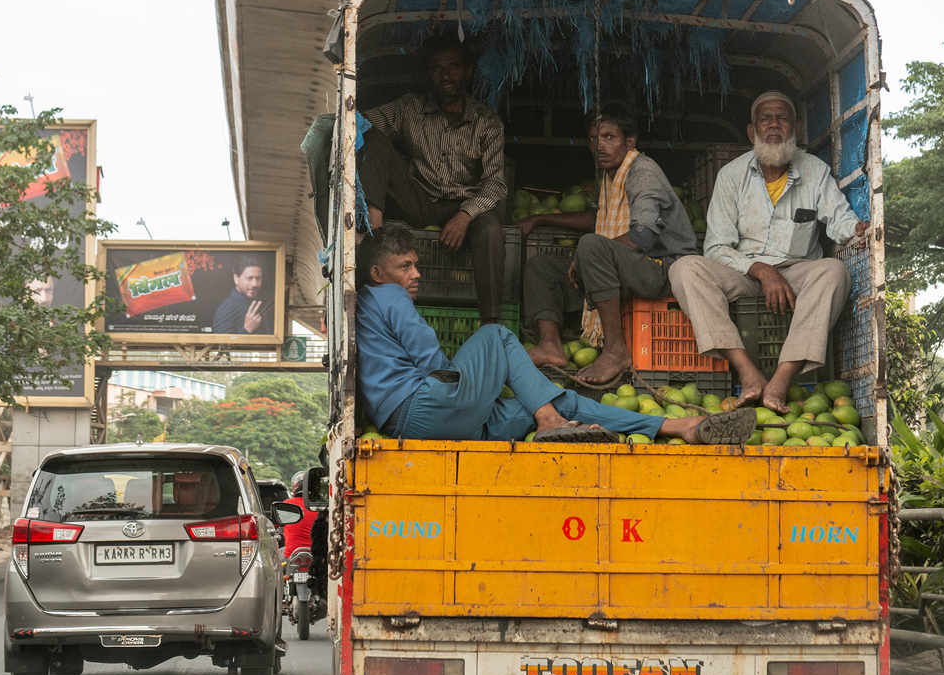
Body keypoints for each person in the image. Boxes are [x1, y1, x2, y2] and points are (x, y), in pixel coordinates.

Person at [356, 225, 754, 445]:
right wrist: (482, 380)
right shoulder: (387, 295)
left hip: (422, 427)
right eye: (405, 266)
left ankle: (678, 427)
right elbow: (432, 362)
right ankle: (548, 418)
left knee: (563, 403)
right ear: (377, 274)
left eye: (415, 266)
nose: (416, 275)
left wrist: (486, 385)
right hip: (423, 405)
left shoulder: (366, 303)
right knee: (496, 335)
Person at [668, 91, 869, 411]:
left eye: (783, 118)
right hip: (743, 271)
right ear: (752, 132)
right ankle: (747, 372)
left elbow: (840, 219)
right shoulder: (731, 175)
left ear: (796, 128)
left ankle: (780, 380)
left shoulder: (815, 171)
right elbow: (716, 245)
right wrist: (760, 269)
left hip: (797, 271)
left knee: (835, 272)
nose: (774, 124)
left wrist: (856, 229)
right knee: (685, 268)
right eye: (765, 118)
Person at [521, 105, 699, 384]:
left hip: (666, 269)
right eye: (594, 139)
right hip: (633, 267)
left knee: (591, 246)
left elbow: (642, 236)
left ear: (630, 142)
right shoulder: (609, 175)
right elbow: (597, 217)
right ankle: (551, 345)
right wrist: (541, 218)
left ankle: (615, 350)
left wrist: (586, 256)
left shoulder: (642, 172)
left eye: (609, 137)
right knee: (541, 266)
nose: (599, 146)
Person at [359, 33, 510, 324]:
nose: (445, 75)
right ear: (428, 74)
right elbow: (358, 123)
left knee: (492, 230)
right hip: (420, 201)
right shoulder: (409, 108)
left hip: (467, 205)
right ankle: (371, 233)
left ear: (467, 72)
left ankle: (490, 323)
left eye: (453, 66)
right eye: (436, 68)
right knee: (373, 138)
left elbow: (495, 183)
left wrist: (466, 214)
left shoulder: (487, 122)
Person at [212, 257, 272, 335]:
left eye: (258, 278)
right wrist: (247, 329)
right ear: (236, 279)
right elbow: (223, 345)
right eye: (249, 278)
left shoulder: (258, 301)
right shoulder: (226, 309)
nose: (255, 284)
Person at [280, 472, 318, 556]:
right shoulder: (318, 506)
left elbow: (278, 523)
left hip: (291, 555)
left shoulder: (287, 504)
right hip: (315, 554)